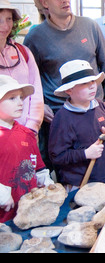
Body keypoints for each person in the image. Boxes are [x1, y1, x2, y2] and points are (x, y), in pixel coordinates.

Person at [23, 0, 105, 171]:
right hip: (60, 114)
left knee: (102, 160)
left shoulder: (90, 26)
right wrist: (40, 105)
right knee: (69, 165)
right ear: (44, 2)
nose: (65, 0)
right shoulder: (35, 36)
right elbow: (29, 77)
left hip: (95, 110)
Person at [48, 60, 105, 191]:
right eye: (85, 83)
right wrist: (85, 154)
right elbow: (57, 156)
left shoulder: (100, 105)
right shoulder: (63, 118)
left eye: (92, 81)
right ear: (69, 89)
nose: (92, 86)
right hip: (80, 184)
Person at [0, 76, 53, 222]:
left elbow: (38, 167)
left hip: (31, 211)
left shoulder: (27, 134)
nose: (20, 103)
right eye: (12, 98)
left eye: (21, 97)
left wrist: (45, 180)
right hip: (4, 217)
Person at [0, 0, 44, 134]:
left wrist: (32, 126)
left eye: (9, 19)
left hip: (26, 132)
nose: (6, 26)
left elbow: (35, 90)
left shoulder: (23, 52)